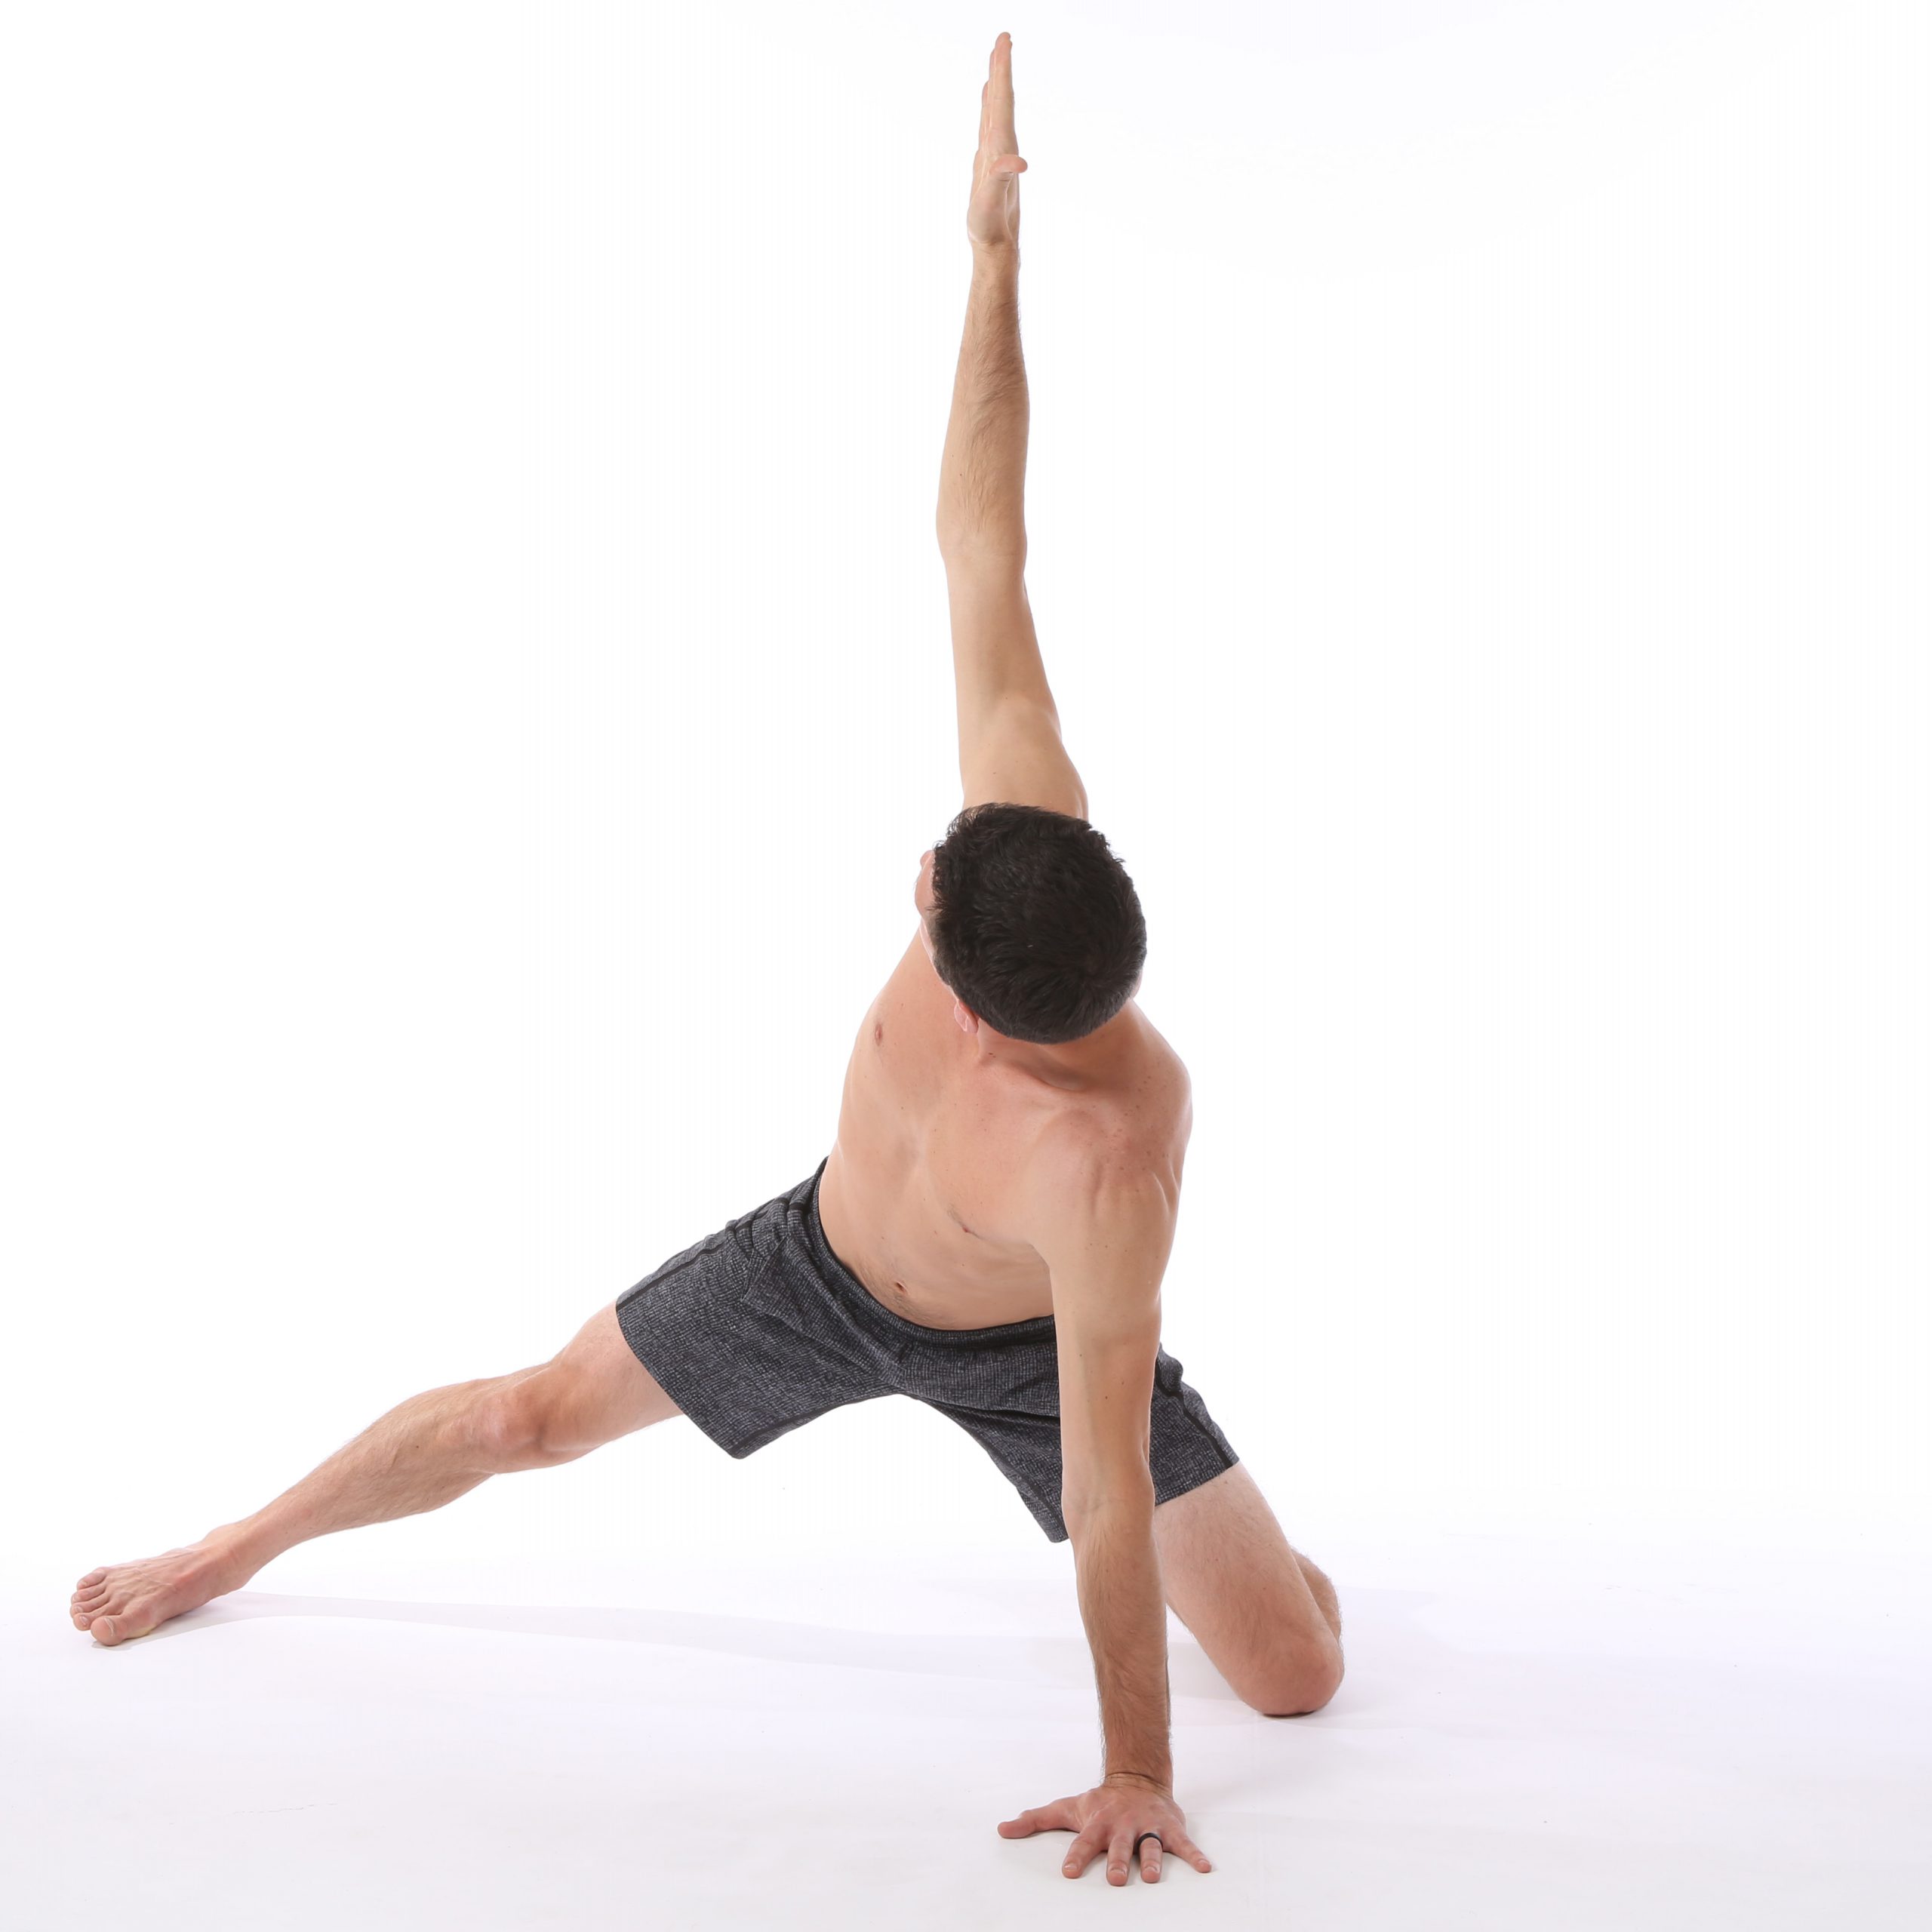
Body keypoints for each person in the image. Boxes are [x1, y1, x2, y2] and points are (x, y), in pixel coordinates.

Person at [68, 31, 1341, 1887]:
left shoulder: (1108, 1169)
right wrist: (989, 261)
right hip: (818, 1260)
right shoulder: (1031, 834)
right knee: (521, 1415)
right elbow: (976, 538)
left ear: (971, 994)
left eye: (922, 894)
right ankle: (226, 1548)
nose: (921, 870)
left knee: (1296, 1675)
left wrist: (1133, 1763)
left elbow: (1095, 1474)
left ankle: (1283, 1561)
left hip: (1029, 1340)